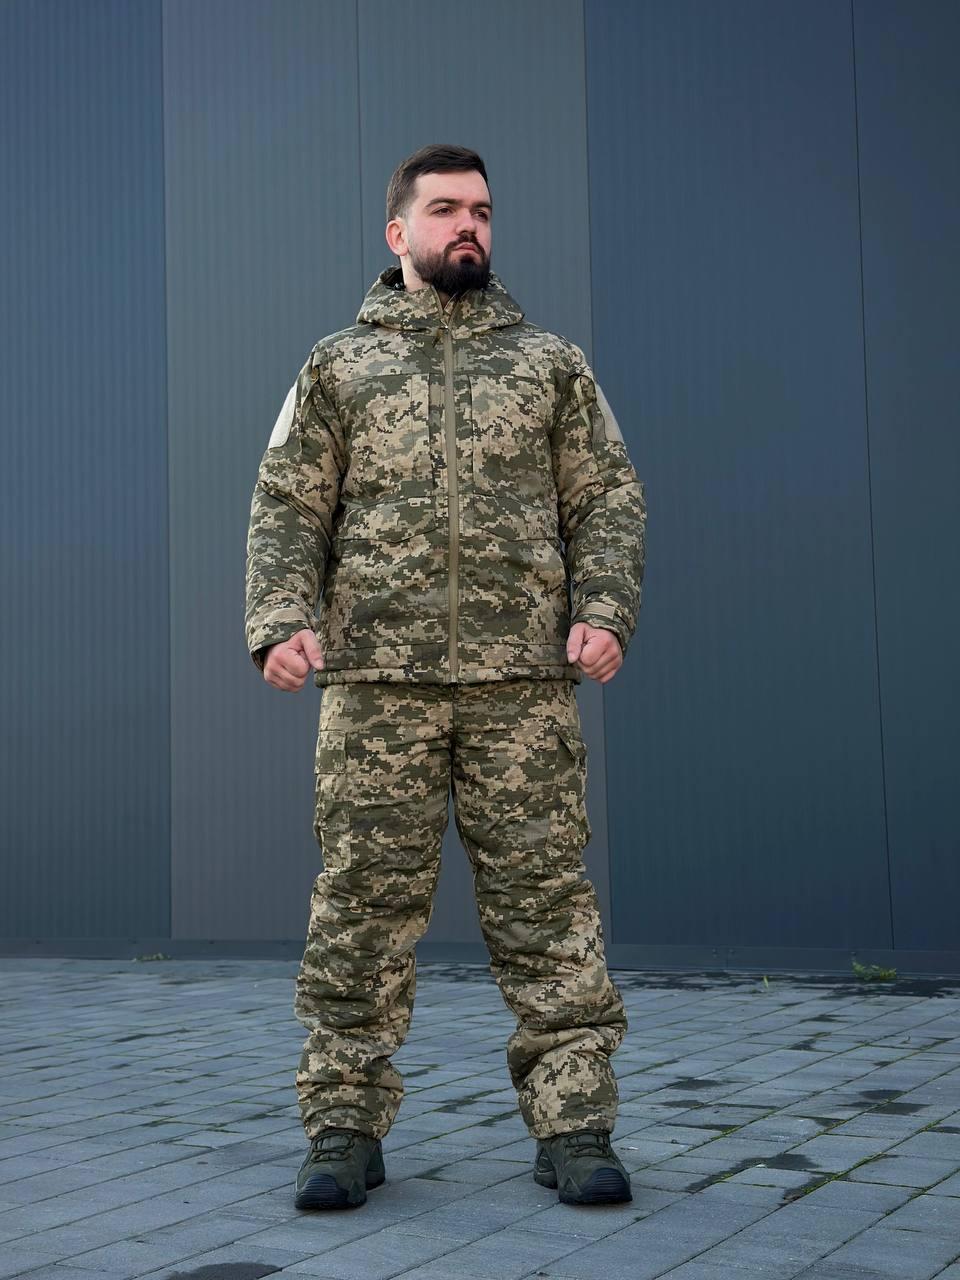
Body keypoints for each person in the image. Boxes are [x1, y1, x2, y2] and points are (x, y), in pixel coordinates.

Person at [244, 144, 646, 1211]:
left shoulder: (549, 364)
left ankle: (576, 1124)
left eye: (482, 210)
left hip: (523, 685)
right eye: (446, 209)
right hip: (377, 687)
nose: (469, 225)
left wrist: (604, 609)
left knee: (545, 903)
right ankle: (342, 1127)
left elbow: (607, 496)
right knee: (361, 906)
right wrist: (279, 622)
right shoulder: (339, 366)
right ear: (399, 232)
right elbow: (288, 503)